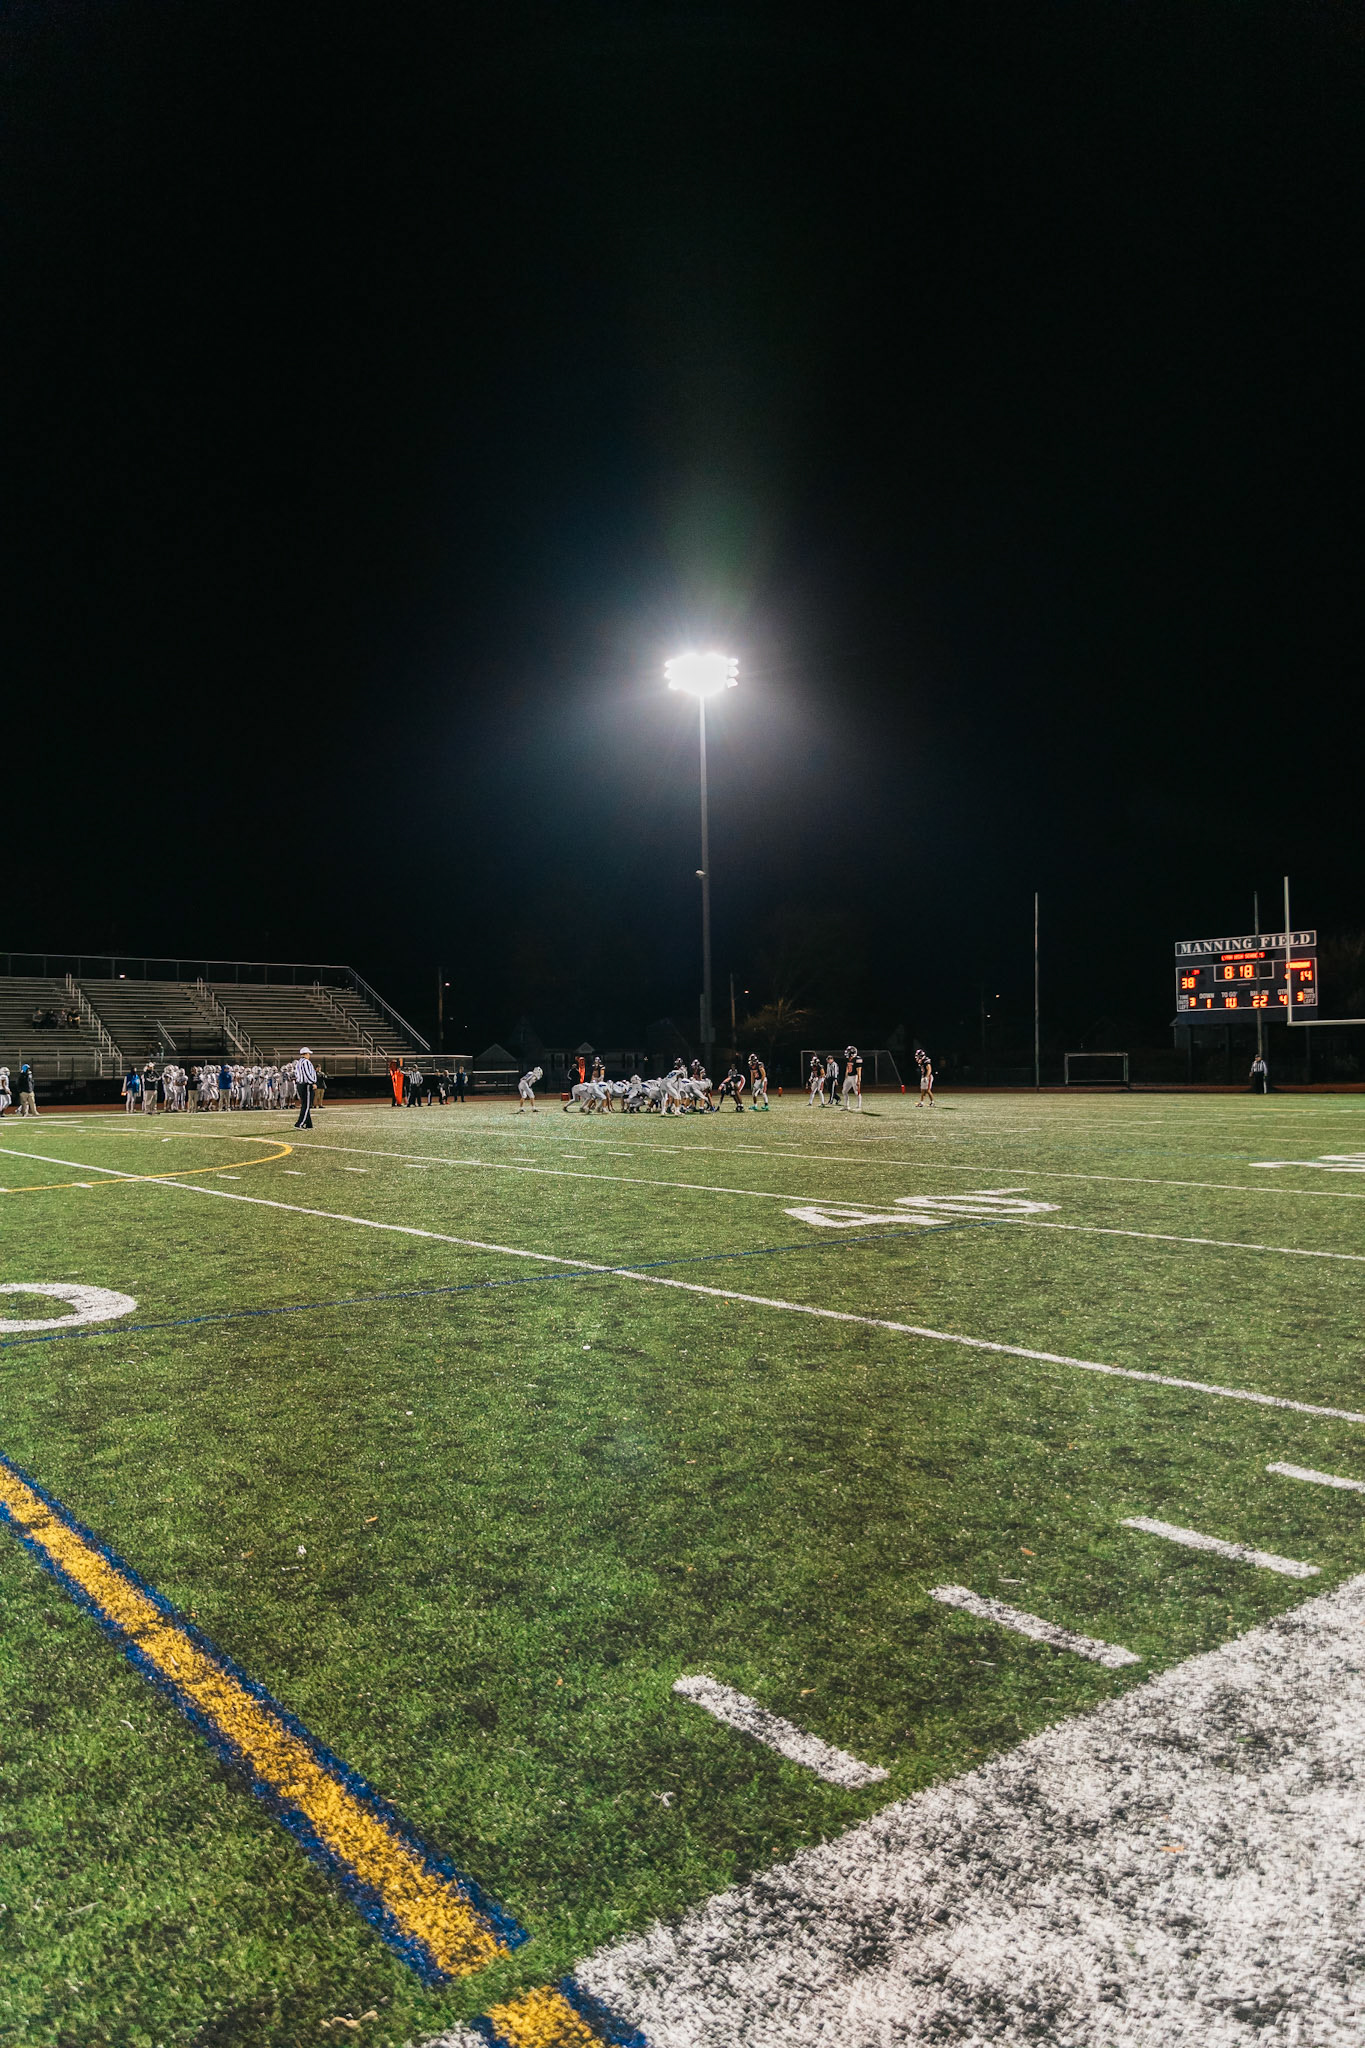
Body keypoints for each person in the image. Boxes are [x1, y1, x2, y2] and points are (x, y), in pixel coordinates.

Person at [293, 1047, 317, 1129]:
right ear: (306, 1054)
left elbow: (297, 1074)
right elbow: (307, 1074)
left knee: (305, 1104)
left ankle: (309, 1124)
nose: (309, 1055)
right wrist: (313, 1082)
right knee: (306, 1105)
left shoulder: (298, 1062)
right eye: (308, 1054)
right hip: (306, 1085)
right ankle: (299, 1124)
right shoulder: (305, 1062)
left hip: (300, 1084)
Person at [841, 1045, 863, 1110]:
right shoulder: (849, 1059)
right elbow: (847, 1067)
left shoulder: (857, 1059)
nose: (847, 1053)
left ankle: (859, 1106)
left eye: (848, 1052)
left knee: (857, 1092)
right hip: (848, 1077)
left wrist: (859, 1080)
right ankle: (846, 1106)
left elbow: (859, 1070)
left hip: (854, 1077)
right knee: (844, 1091)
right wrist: (846, 1075)